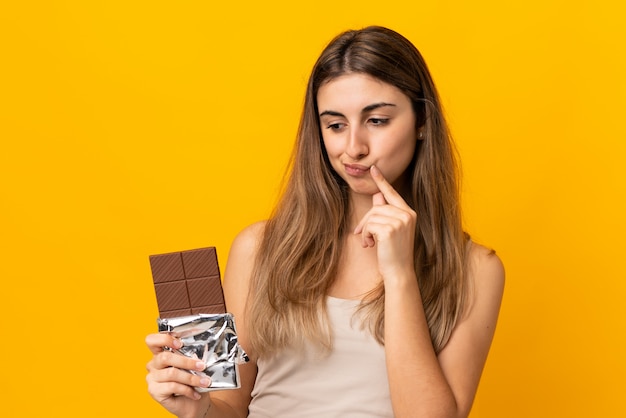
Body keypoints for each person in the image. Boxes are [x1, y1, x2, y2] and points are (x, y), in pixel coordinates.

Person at [145, 25, 505, 418]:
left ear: (422, 121)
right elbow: (229, 408)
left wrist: (400, 274)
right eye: (335, 125)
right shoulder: (259, 249)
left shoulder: (474, 269)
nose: (354, 147)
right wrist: (196, 407)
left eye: (377, 120)